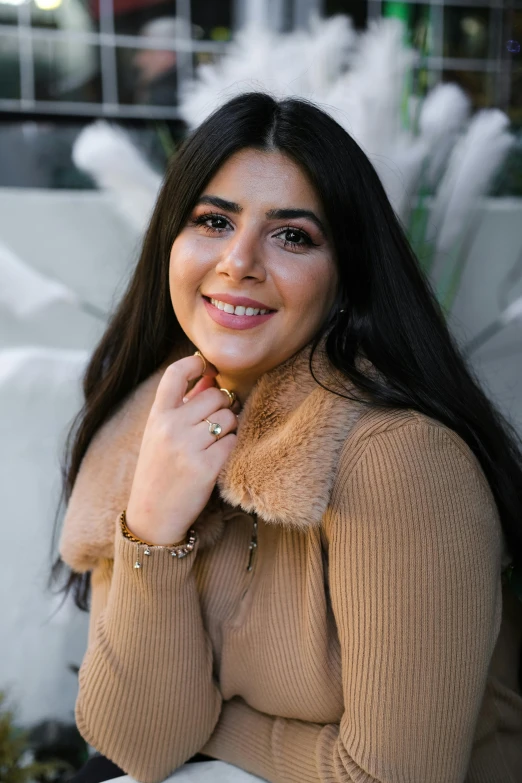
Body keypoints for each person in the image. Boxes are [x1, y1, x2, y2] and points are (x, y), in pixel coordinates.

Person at [55, 93, 522, 783]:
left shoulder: (399, 458)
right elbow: (138, 749)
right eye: (213, 220)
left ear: (344, 278)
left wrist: (210, 724)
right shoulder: (148, 436)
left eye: (292, 235)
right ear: (170, 245)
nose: (238, 261)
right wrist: (151, 521)